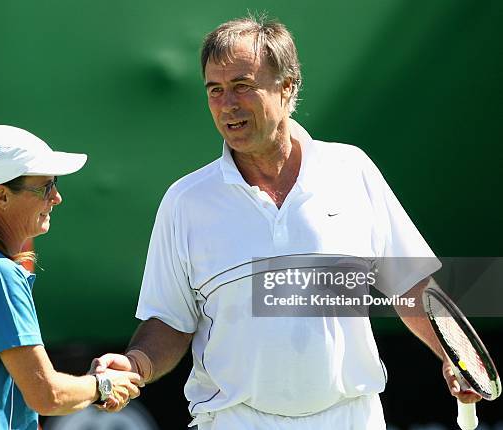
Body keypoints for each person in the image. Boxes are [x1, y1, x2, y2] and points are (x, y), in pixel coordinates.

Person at [92, 16, 481, 429]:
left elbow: (411, 282)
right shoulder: (185, 202)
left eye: (243, 86)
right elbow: (170, 320)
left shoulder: (352, 170)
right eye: (215, 90)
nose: (228, 104)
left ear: (288, 86)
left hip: (352, 418)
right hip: (233, 421)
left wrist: (457, 354)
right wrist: (135, 363)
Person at [0, 125, 141, 429]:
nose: (56, 197)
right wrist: (103, 386)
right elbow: (47, 395)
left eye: (54, 183)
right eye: (44, 187)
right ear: (2, 196)